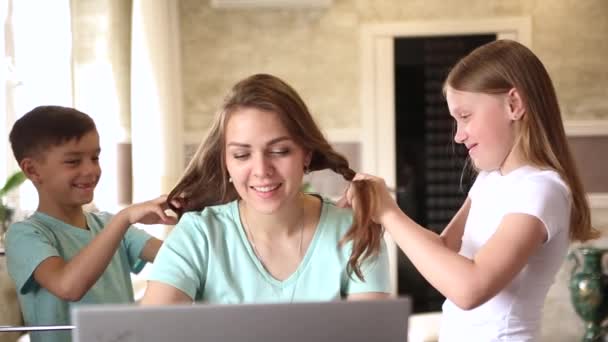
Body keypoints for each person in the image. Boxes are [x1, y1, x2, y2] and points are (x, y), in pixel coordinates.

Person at [339, 39, 599, 341]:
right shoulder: (490, 179)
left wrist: (389, 212)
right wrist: (379, 210)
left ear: (513, 104)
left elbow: (470, 288)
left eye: (465, 116)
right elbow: (444, 248)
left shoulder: (541, 189)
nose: (459, 136)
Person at [141, 74, 390, 305]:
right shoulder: (198, 235)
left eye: (280, 151)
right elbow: (149, 333)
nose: (261, 170)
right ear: (226, 162)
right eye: (241, 154)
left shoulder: (356, 232)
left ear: (306, 154)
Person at [5, 106, 176, 342]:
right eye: (73, 161)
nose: (91, 170)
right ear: (32, 170)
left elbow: (177, 256)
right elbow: (68, 286)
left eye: (95, 158)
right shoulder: (26, 235)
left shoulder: (109, 225)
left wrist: (195, 215)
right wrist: (124, 218)